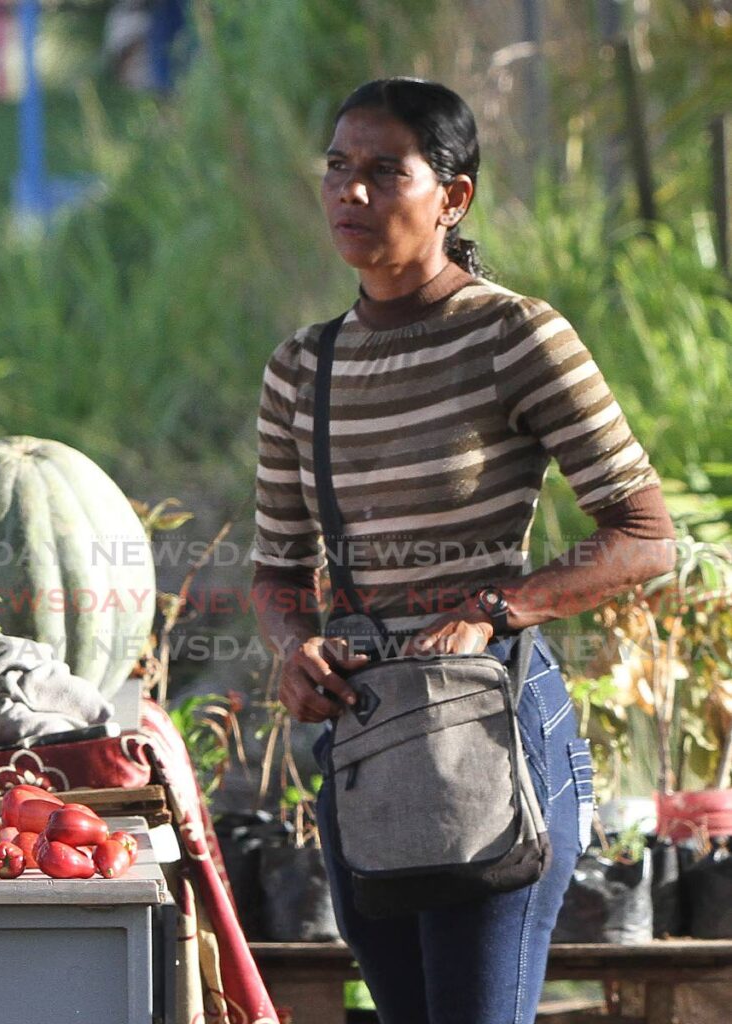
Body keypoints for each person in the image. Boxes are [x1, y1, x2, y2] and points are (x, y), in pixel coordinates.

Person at [249, 77, 675, 1024]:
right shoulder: (301, 370)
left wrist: (495, 611)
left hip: (495, 732)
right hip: (367, 744)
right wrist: (294, 649)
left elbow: (645, 538)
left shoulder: (514, 336)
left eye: (383, 172)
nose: (350, 194)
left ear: (454, 196)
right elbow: (278, 571)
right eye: (337, 169)